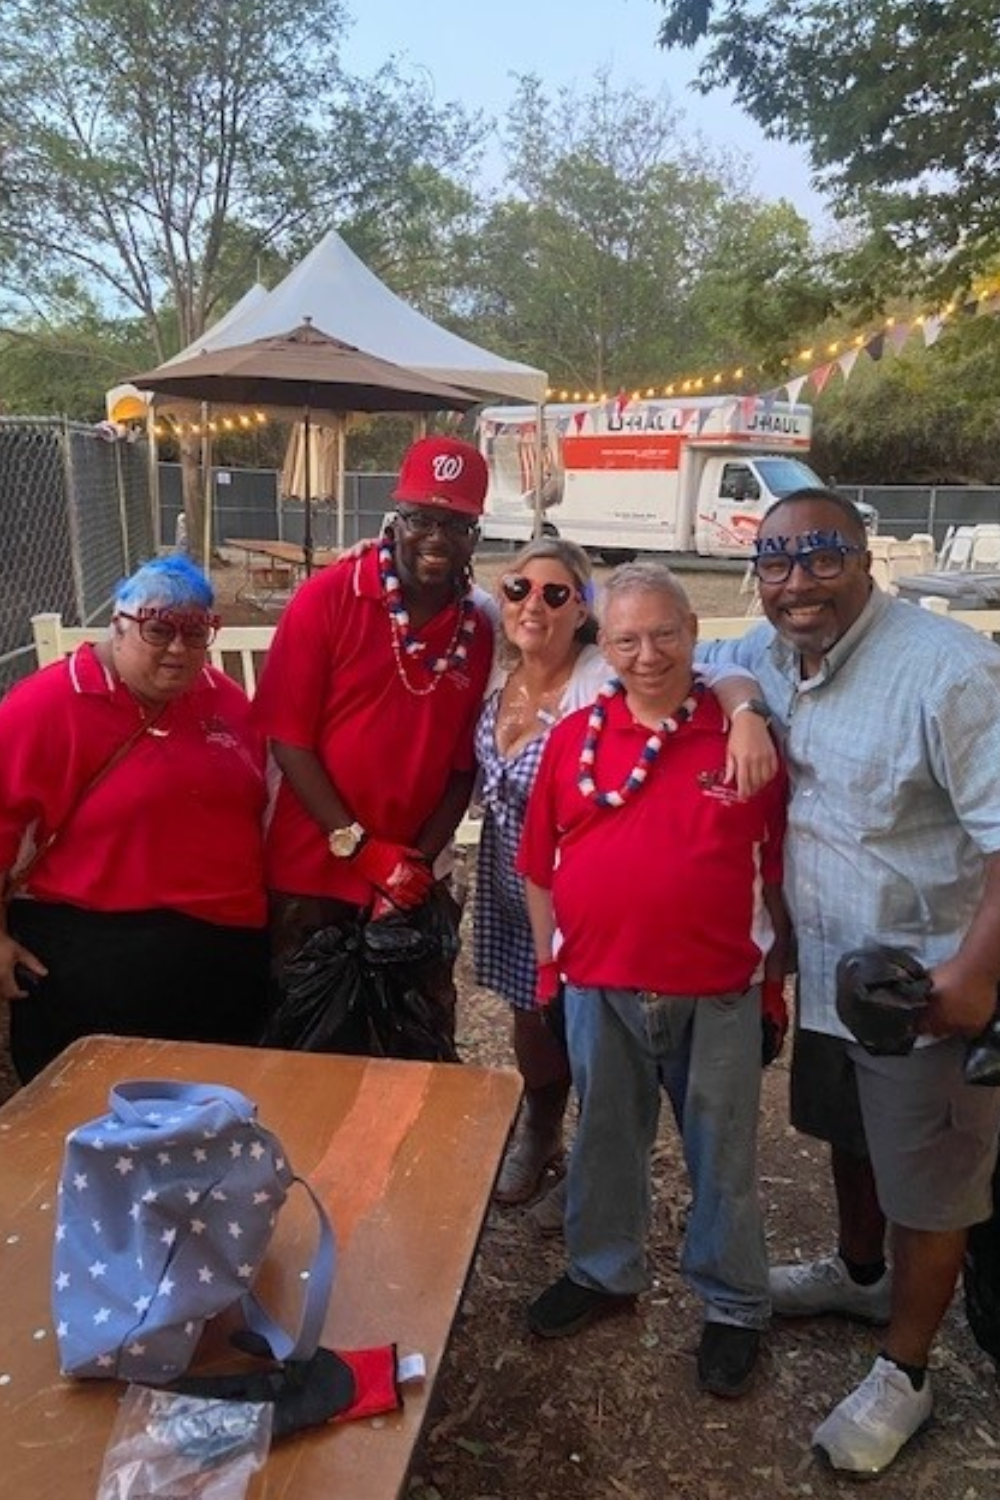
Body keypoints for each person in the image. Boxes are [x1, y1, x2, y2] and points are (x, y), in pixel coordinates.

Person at [697, 488, 1000, 1474]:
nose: (797, 583)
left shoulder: (948, 670)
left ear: (866, 559)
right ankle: (859, 1273)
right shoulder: (764, 652)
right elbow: (693, 661)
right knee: (848, 1136)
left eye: (822, 558)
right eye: (777, 562)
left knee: (931, 1183)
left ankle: (904, 1370)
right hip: (829, 974)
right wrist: (741, 701)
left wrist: (974, 974)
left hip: (923, 984)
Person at [519, 562, 789, 1399]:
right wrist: (548, 971)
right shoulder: (575, 737)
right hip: (599, 983)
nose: (647, 654)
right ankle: (604, 1271)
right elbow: (538, 867)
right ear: (605, 643)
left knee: (723, 1157)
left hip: (717, 989)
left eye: (665, 634)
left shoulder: (738, 732)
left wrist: (773, 988)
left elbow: (775, 875)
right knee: (605, 1140)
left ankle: (735, 1304)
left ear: (694, 635)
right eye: (628, 638)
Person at [478, 539, 782, 1215]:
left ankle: (728, 1290)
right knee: (566, 1065)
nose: (536, 602)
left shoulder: (626, 690)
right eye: (521, 587)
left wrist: (746, 710)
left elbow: (716, 677)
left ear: (583, 610)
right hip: (541, 905)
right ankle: (579, 1204)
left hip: (689, 966)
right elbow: (535, 854)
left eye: (557, 593)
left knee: (709, 1137)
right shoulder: (506, 673)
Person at [252, 435, 494, 1057]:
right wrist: (361, 851)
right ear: (397, 519)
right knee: (306, 1054)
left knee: (411, 1057)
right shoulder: (326, 598)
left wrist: (409, 869)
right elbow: (289, 741)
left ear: (476, 531)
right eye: (422, 519)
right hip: (313, 872)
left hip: (411, 875)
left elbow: (462, 766)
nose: (436, 537)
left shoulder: (478, 625)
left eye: (457, 523)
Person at [0, 555, 269, 1082]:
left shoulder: (224, 699)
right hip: (92, 965)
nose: (178, 648)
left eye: (196, 633)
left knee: (216, 1123)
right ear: (118, 626)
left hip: (223, 960)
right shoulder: (44, 706)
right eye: (159, 629)